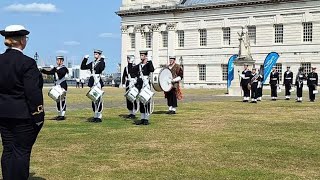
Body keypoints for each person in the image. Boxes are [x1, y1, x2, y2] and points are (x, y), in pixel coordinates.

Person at [0, 25, 44, 180]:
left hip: (3, 114)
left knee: (8, 150)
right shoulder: (27, 63)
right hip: (23, 116)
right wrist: (38, 115)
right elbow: (33, 92)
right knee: (21, 152)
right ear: (21, 41)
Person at [128, 50, 155, 125]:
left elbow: (152, 69)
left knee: (146, 101)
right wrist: (130, 63)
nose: (141, 57)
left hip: (146, 84)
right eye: (141, 55)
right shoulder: (139, 65)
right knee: (141, 101)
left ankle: (146, 118)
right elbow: (131, 71)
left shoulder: (148, 64)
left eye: (143, 55)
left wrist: (150, 61)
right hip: (140, 84)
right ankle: (142, 118)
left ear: (146, 56)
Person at [41, 56, 69, 120]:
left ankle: (63, 115)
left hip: (62, 85)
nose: (57, 61)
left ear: (61, 61)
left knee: (62, 100)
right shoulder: (56, 68)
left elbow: (61, 74)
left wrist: (55, 69)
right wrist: (42, 70)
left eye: (58, 60)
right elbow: (49, 72)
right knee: (57, 100)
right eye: (56, 60)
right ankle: (59, 114)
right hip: (57, 84)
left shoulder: (64, 68)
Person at [81, 49, 105, 123]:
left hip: (98, 81)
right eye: (95, 54)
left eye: (97, 54)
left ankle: (99, 115)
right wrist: (85, 59)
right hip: (92, 82)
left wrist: (102, 60)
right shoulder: (92, 63)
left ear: (99, 55)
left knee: (99, 99)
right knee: (93, 99)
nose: (95, 55)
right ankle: (95, 115)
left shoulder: (101, 62)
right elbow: (83, 67)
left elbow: (101, 68)